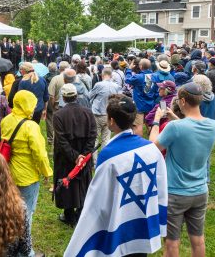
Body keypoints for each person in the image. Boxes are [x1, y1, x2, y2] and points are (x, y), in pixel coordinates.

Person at [65, 95, 167, 256]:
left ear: (111, 121)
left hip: (120, 220)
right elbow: (160, 187)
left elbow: (97, 198)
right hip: (144, 217)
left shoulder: (109, 155)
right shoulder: (152, 149)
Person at [150, 82, 215, 257]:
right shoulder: (213, 126)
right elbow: (190, 128)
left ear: (182, 101)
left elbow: (153, 147)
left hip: (175, 192)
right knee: (198, 240)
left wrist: (157, 121)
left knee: (172, 242)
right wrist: (174, 116)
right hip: (200, 190)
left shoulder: (175, 128)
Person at [0, 90, 53, 255]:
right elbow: (39, 153)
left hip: (8, 174)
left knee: (9, 212)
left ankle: (9, 247)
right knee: (26, 215)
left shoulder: (6, 121)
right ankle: (26, 251)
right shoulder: (31, 126)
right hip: (27, 176)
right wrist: (47, 172)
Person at [53, 83, 97, 226]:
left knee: (71, 184)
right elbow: (92, 135)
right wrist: (81, 156)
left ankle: (70, 215)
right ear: (76, 96)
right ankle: (77, 214)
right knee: (80, 183)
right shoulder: (88, 112)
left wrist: (78, 156)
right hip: (79, 155)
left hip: (67, 156)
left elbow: (61, 140)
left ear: (64, 98)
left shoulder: (59, 115)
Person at [88, 68, 122, 163]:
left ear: (102, 75)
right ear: (111, 76)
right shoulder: (116, 86)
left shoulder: (99, 85)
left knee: (94, 137)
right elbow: (119, 99)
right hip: (109, 115)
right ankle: (104, 160)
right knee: (106, 139)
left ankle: (94, 161)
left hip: (97, 114)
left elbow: (90, 95)